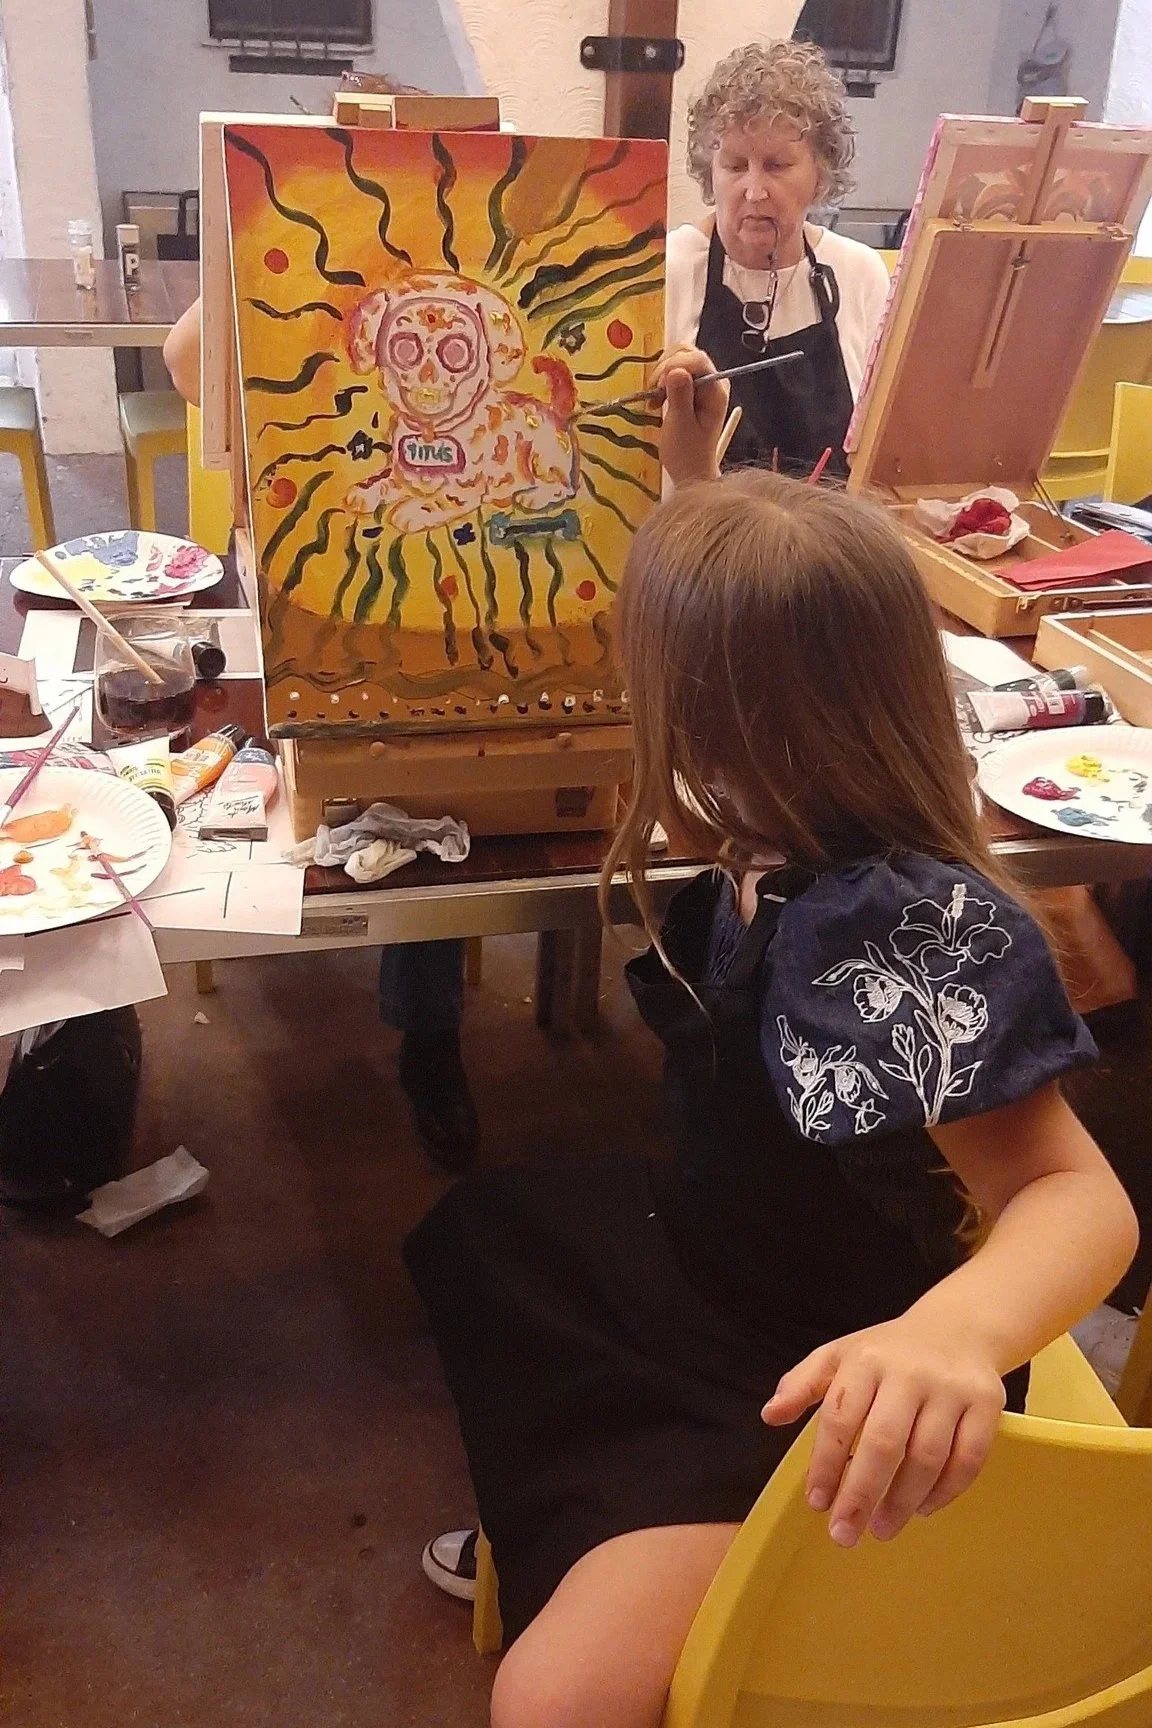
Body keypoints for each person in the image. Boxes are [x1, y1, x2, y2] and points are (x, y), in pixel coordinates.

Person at [404, 373, 1138, 1727]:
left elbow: (1073, 1195)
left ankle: (601, 1538)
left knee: (550, 1703)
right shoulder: (769, 800)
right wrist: (695, 484)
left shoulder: (899, 931)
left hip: (840, 1377)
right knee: (496, 1233)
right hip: (725, 1260)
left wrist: (955, 1335)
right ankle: (570, 1522)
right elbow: (755, 632)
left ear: (708, 716)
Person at [162, 304, 479, 1171]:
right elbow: (186, 361)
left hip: (444, 560)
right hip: (302, 548)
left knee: (429, 769)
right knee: (267, 747)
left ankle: (430, 1035)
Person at [665, 39, 891, 477]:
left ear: (820, 173)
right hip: (699, 521)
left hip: (830, 522)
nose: (754, 192)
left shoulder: (859, 274)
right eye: (734, 166)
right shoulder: (667, 270)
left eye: (776, 166)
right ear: (709, 170)